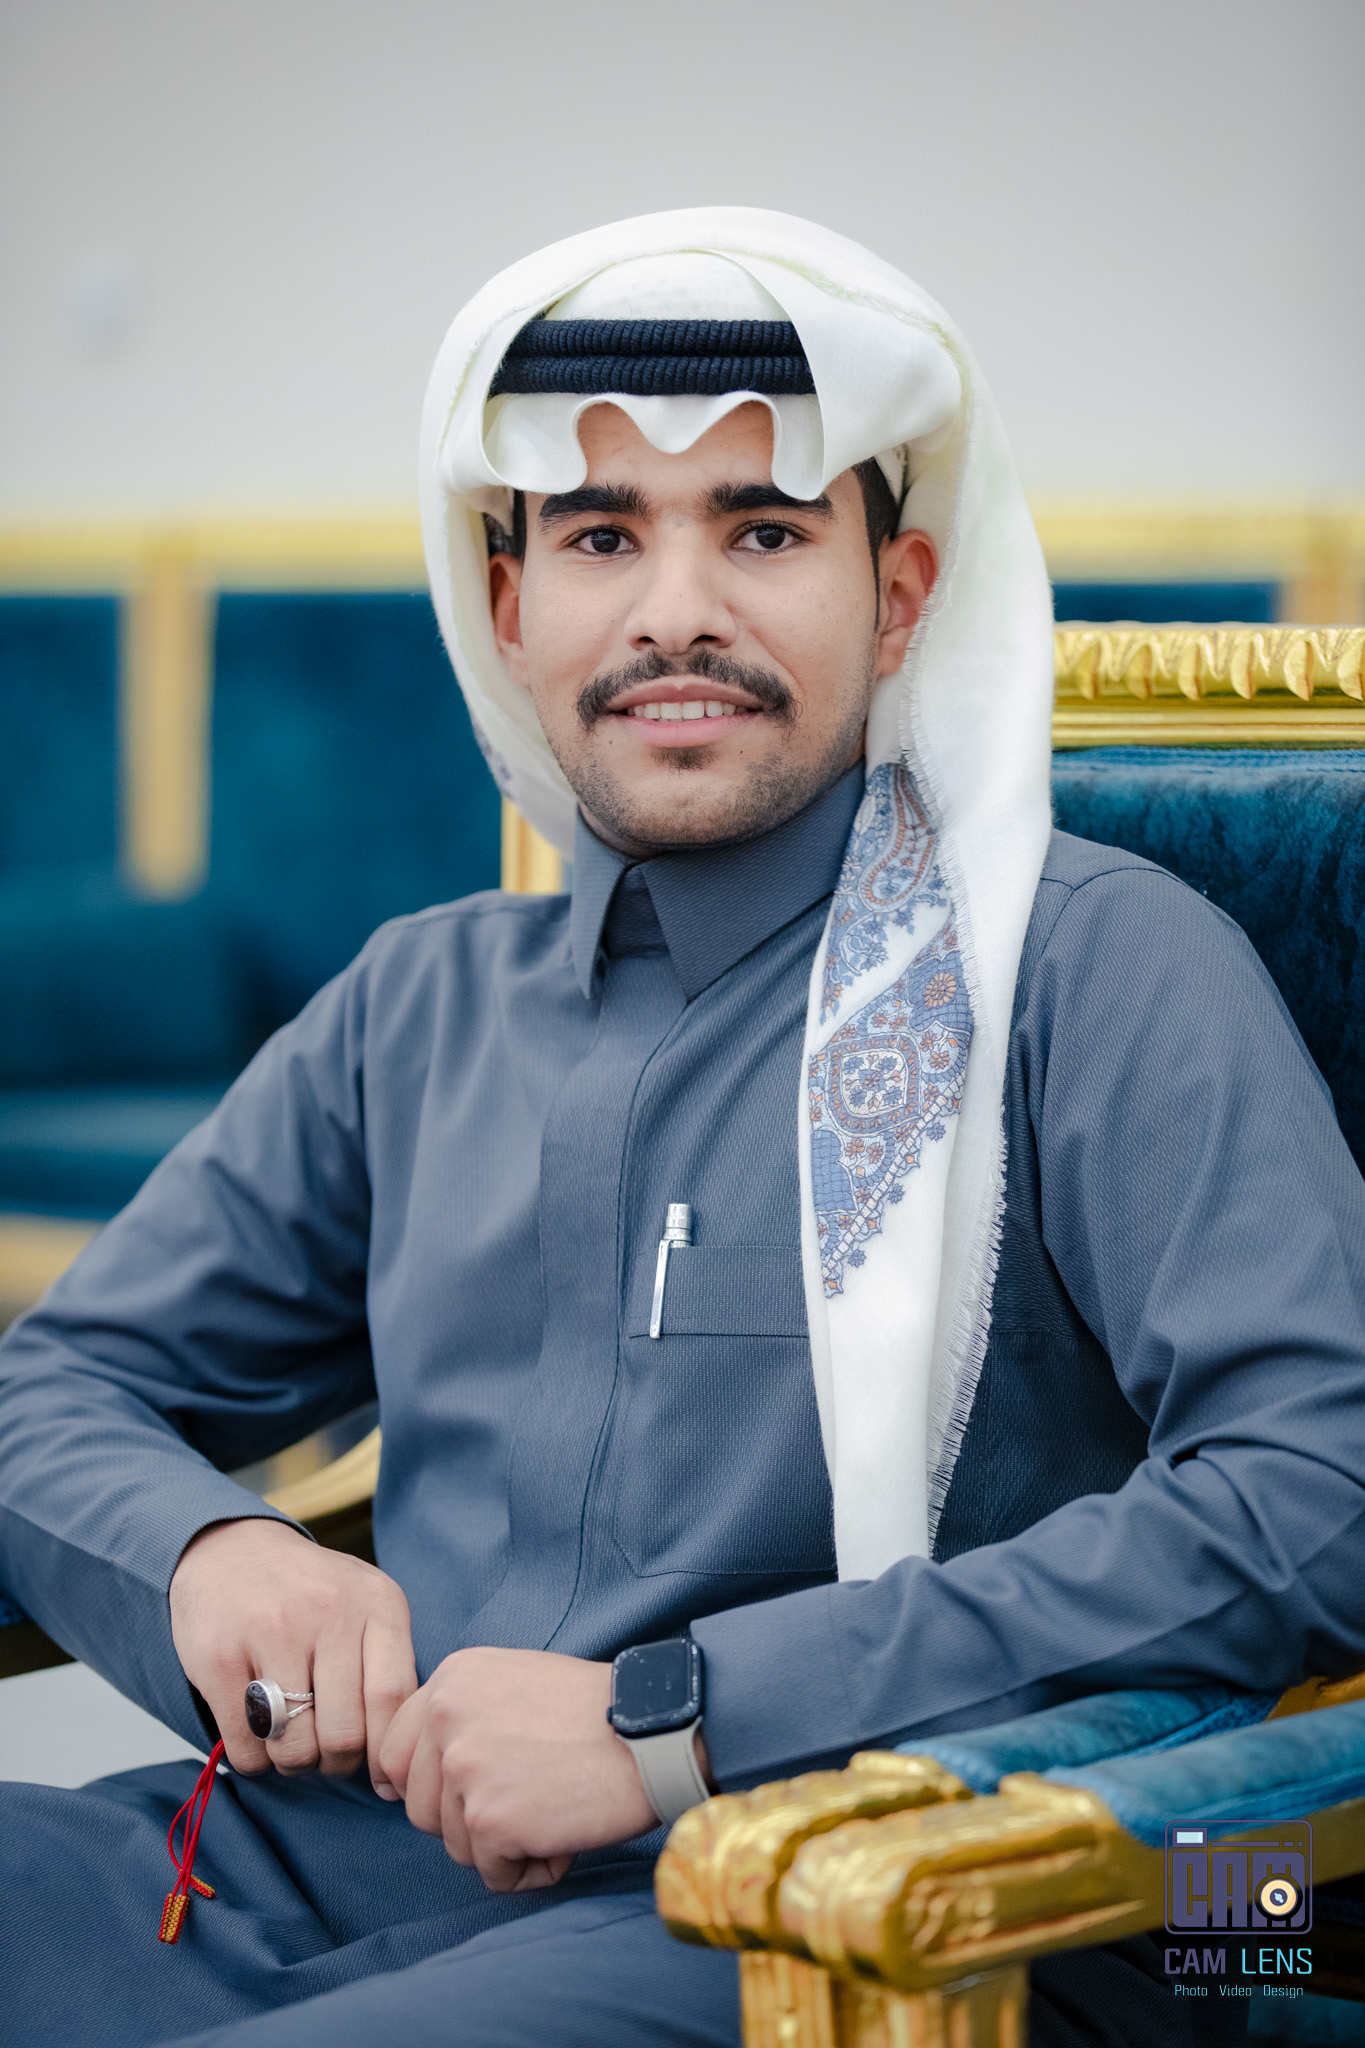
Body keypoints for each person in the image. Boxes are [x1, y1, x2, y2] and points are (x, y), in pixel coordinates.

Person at [1, 208, 1362, 2048]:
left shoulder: (1083, 967)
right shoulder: (422, 1004)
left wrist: (683, 1718)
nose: (673, 612)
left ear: (898, 596)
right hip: (327, 1861)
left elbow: (1319, 1492)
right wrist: (202, 1553)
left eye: (764, 530)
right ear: (509, 609)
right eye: (599, 537)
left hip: (865, 1895)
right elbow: (57, 1384)